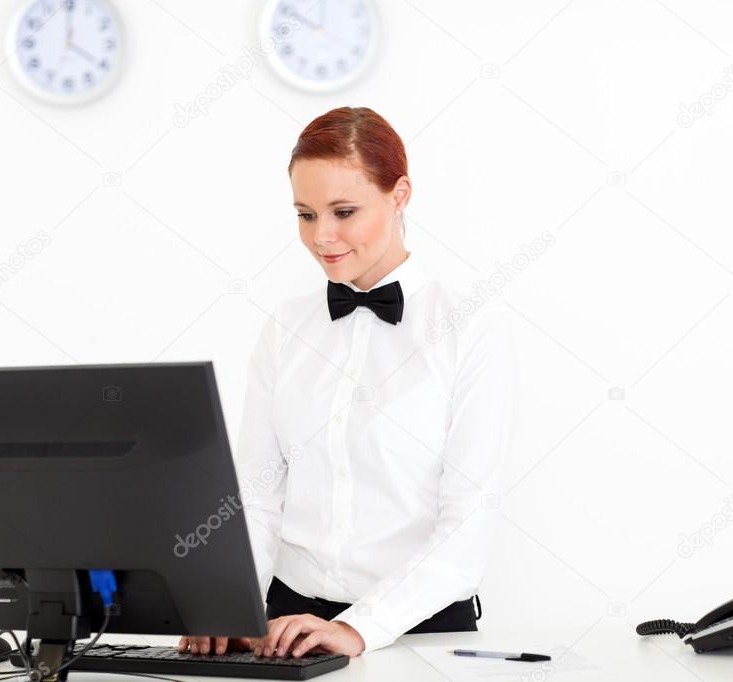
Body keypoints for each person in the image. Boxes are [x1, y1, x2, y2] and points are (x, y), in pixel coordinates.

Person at [178, 106, 517, 659]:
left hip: (418, 628)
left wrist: (361, 628)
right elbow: (260, 497)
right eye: (306, 214)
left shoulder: (470, 329)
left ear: (400, 194)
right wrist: (228, 606)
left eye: (343, 211)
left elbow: (468, 521)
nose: (321, 236)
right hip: (285, 624)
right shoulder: (286, 327)